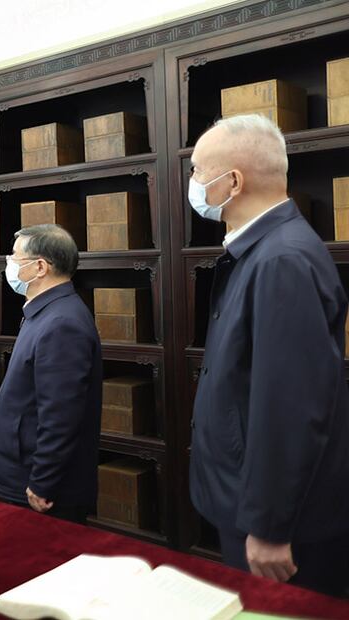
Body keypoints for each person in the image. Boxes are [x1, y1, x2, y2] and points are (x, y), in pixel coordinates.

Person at [187, 113, 349, 595]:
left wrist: (270, 524)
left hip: (277, 525)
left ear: (233, 182)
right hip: (246, 499)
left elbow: (291, 406)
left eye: (197, 171)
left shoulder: (282, 260)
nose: (193, 182)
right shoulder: (262, 251)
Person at [0, 224, 102, 524]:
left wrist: (43, 480)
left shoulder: (62, 322)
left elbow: (61, 414)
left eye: (15, 257)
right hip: (20, 470)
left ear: (40, 267)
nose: (9, 264)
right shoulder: (45, 311)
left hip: (39, 487)